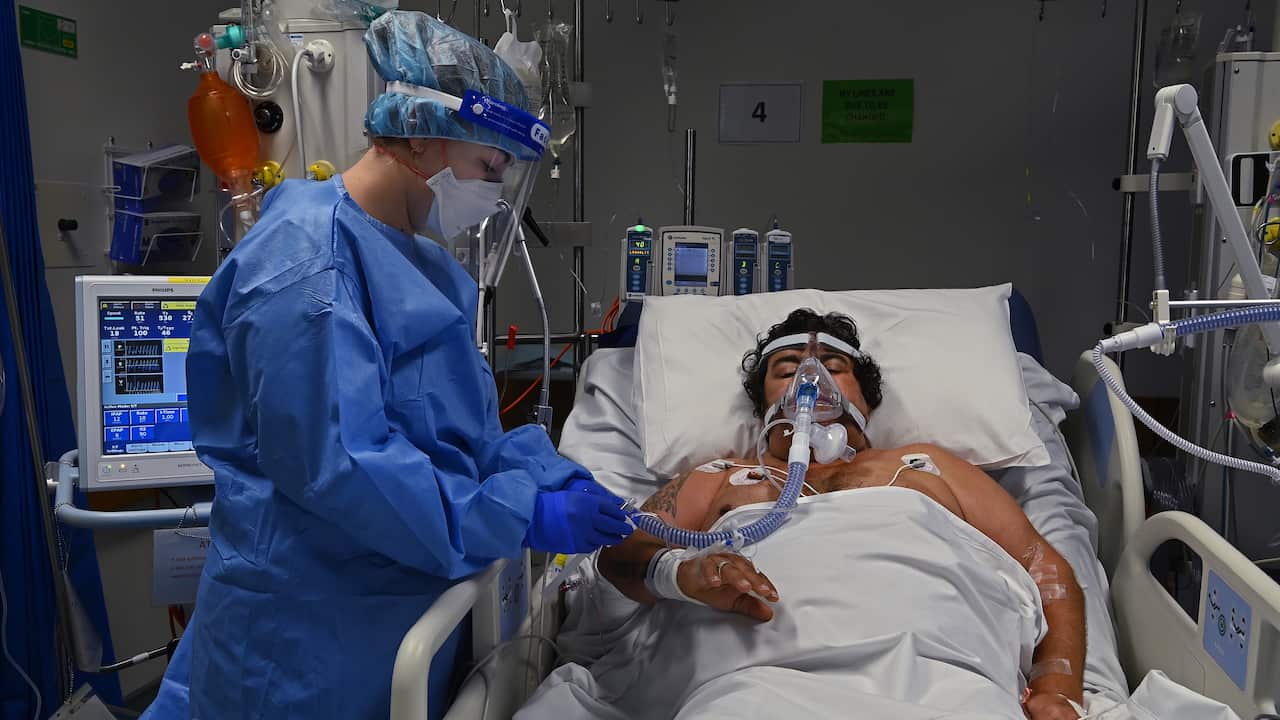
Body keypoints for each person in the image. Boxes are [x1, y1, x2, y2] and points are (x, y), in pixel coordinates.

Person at [140, 11, 630, 720]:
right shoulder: (304, 264)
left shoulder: (418, 263)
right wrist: (519, 512)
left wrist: (553, 478)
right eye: (487, 169)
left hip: (392, 610)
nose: (492, 197)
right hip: (305, 638)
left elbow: (464, 434)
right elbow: (344, 464)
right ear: (423, 134)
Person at [593, 308, 1085, 720]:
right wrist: (680, 572)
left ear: (865, 397)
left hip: (944, 676)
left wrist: (1056, 689)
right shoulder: (721, 475)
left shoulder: (928, 465)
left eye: (834, 366)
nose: (812, 380)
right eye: (786, 370)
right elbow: (620, 551)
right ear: (762, 401)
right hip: (757, 684)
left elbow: (1046, 570)